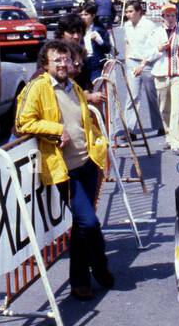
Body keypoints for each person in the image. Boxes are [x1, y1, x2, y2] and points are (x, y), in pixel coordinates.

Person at [15, 40, 112, 299]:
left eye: (65, 59)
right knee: (88, 222)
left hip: (87, 163)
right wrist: (56, 130)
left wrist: (98, 145)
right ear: (45, 64)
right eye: (56, 60)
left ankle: (81, 281)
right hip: (64, 169)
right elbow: (22, 123)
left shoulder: (74, 86)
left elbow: (83, 122)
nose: (62, 64)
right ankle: (100, 266)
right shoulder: (37, 88)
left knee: (83, 225)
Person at [152, 4, 179, 152]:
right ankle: (169, 136)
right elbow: (147, 55)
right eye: (167, 15)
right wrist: (158, 50)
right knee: (164, 109)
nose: (170, 19)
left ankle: (177, 142)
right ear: (162, 17)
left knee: (177, 110)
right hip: (160, 75)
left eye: (173, 15)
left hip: (178, 76)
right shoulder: (155, 33)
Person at [120, 0, 163, 140]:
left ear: (139, 12)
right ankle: (130, 130)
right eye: (126, 12)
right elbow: (127, 43)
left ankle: (160, 125)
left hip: (147, 62)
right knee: (132, 96)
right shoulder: (127, 25)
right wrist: (127, 62)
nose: (128, 14)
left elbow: (154, 47)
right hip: (132, 62)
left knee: (152, 96)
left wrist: (143, 64)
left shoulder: (149, 25)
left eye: (131, 11)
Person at [80, 0, 109, 77]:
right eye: (81, 14)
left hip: (96, 64)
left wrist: (99, 40)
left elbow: (107, 49)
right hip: (81, 64)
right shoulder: (77, 30)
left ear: (93, 16)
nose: (83, 17)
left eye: (86, 14)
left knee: (96, 86)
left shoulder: (99, 29)